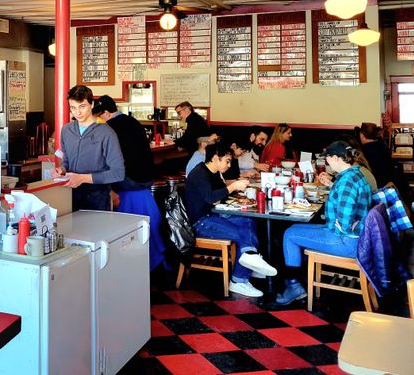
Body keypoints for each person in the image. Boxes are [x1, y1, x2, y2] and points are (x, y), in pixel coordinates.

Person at [276, 141, 372, 304]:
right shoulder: (355, 175)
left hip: (345, 241)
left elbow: (345, 222)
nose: (326, 162)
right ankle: (298, 279)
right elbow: (349, 199)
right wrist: (332, 185)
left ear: (336, 158)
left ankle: (293, 286)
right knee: (293, 227)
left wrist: (335, 222)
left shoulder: (346, 182)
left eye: (327, 158)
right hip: (357, 239)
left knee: (290, 235)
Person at [184, 143, 277, 298]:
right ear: (215, 158)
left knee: (248, 221)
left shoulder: (213, 172)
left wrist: (236, 190)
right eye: (227, 161)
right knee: (241, 234)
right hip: (200, 222)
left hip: (215, 215)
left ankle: (250, 260)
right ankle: (238, 280)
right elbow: (211, 197)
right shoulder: (199, 173)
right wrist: (233, 186)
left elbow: (221, 194)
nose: (229, 165)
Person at [92, 95, 166, 269]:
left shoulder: (110, 128)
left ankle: (113, 258)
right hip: (146, 179)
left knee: (99, 186)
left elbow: (109, 161)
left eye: (99, 115)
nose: (98, 119)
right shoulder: (132, 122)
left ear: (107, 113)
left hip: (129, 182)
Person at [56, 86, 125, 211]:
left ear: (91, 104)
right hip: (69, 197)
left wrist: (82, 178)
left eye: (82, 106)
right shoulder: (66, 130)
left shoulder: (106, 133)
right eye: (73, 108)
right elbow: (67, 161)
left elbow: (118, 173)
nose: (78, 112)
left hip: (97, 198)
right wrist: (62, 169)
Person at [359, 122, 394, 188]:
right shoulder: (383, 146)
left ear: (362, 136)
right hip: (389, 185)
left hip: (376, 187)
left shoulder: (364, 151)